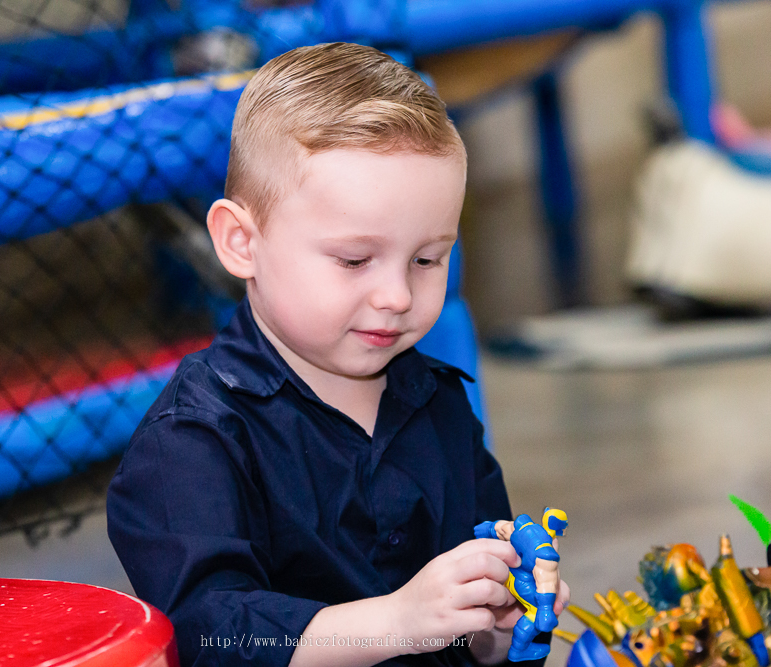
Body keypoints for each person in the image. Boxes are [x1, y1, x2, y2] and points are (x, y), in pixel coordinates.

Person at [107, 42, 569, 667]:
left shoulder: (442, 405)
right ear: (241, 243)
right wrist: (393, 623)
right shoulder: (193, 441)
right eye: (354, 260)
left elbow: (469, 637)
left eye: (428, 259)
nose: (398, 294)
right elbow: (206, 634)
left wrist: (495, 627)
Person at [473, 509, 568, 662]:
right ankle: (519, 650)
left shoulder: (526, 527)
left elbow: (502, 529)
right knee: (535, 612)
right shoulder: (545, 550)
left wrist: (486, 529)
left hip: (507, 572)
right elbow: (547, 583)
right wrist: (545, 611)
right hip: (521, 584)